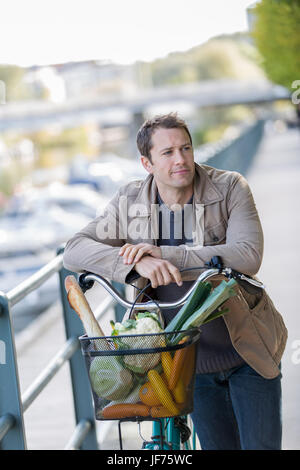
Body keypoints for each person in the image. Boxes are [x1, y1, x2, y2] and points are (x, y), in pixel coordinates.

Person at [63, 112, 287, 450]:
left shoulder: (229, 188)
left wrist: (168, 255)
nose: (181, 159)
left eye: (186, 148)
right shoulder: (130, 202)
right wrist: (137, 265)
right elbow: (74, 249)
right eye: (167, 153)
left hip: (248, 352)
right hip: (185, 361)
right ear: (146, 162)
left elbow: (247, 254)